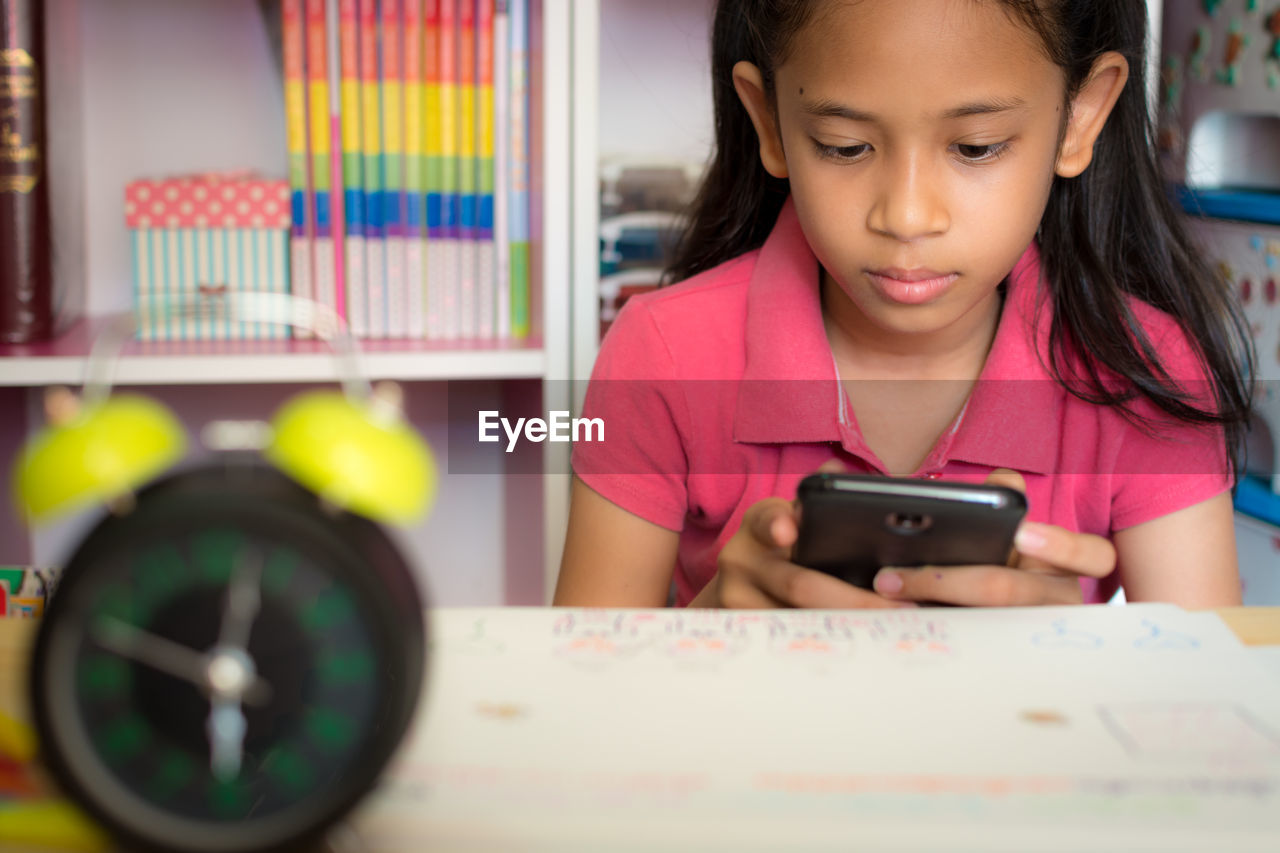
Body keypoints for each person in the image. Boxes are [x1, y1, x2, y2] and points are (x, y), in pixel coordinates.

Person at [555, 0, 1253, 610]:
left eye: (976, 148)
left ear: (1082, 117)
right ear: (770, 121)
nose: (908, 216)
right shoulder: (663, 354)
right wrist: (715, 625)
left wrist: (1062, 658)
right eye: (845, 146)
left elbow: (1208, 719)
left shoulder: (1147, 370)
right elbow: (580, 699)